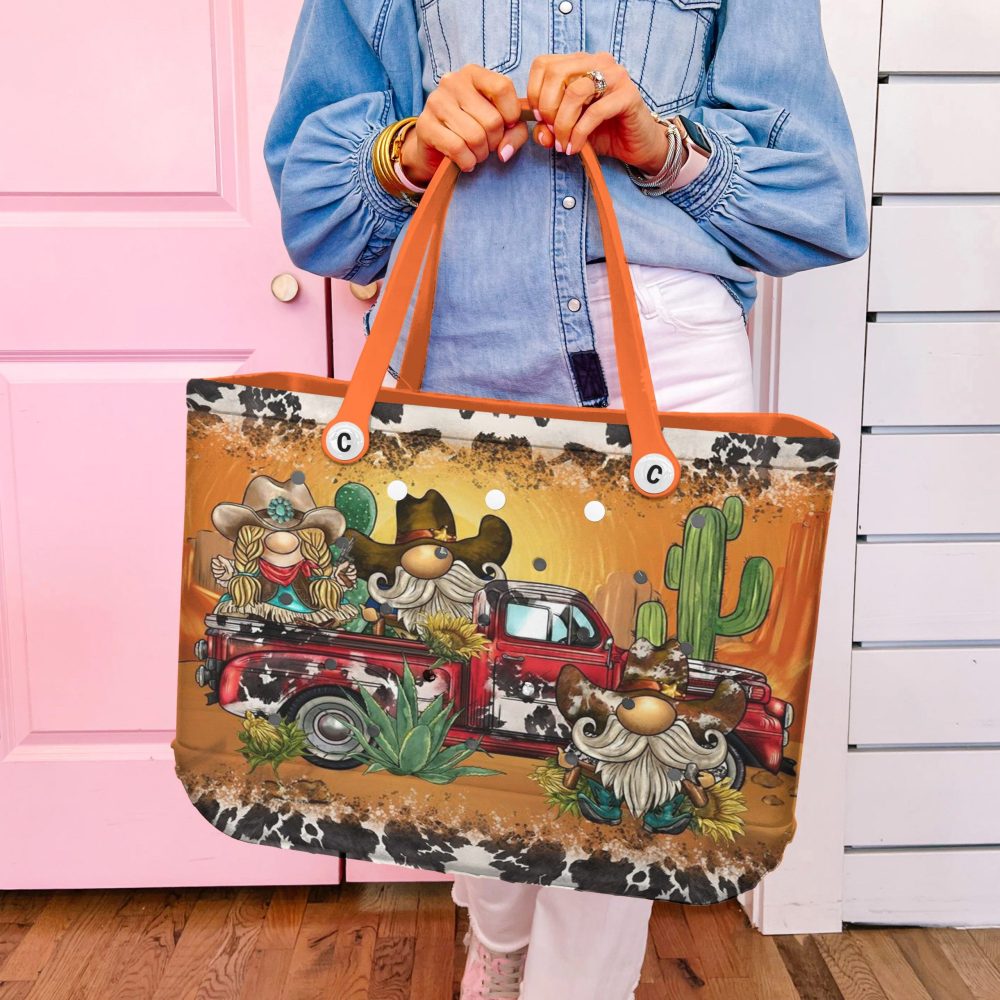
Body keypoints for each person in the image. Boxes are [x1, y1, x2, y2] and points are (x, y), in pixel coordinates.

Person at [264, 2, 867, 997]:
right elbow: (315, 209)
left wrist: (666, 146)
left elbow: (819, 198)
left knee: (628, 738)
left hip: (662, 358)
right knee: (462, 705)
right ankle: (497, 936)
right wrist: (407, 151)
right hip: (451, 338)